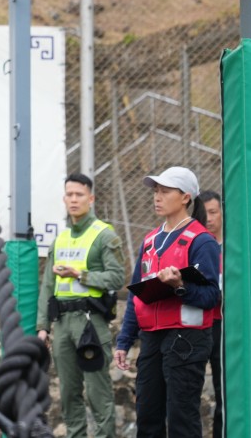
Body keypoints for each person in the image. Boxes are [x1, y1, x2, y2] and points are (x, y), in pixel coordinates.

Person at [114, 166, 222, 438]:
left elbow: (212, 297)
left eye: (165, 191)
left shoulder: (201, 241)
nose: (157, 197)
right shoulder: (150, 241)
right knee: (147, 417)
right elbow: (136, 296)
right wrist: (124, 341)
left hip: (186, 339)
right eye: (155, 191)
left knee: (181, 419)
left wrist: (180, 286)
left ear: (186, 197)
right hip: (151, 338)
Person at [36, 173, 125, 438]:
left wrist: (80, 275)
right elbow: (47, 286)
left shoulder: (104, 235)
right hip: (62, 324)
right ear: (64, 199)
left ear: (91, 198)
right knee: (68, 395)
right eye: (70, 195)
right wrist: (43, 327)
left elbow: (118, 277)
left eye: (80, 195)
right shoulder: (60, 239)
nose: (74, 200)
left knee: (99, 395)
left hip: (90, 323)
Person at [198, 189, 224, 438]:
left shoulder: (235, 249)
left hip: (224, 325)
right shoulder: (195, 245)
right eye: (204, 213)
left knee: (224, 390)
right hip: (196, 323)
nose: (209, 218)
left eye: (214, 212)